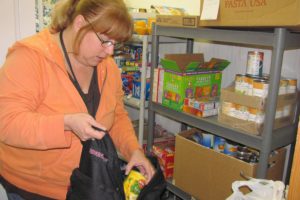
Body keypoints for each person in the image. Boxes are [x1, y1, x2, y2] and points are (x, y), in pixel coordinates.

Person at [0, 0, 154, 199]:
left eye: (115, 44)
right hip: (33, 188)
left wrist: (133, 150)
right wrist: (65, 123)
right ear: (80, 23)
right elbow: (6, 122)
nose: (109, 52)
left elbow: (116, 115)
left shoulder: (108, 68)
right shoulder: (30, 57)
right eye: (105, 41)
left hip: (87, 185)